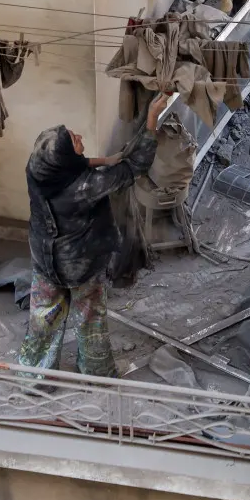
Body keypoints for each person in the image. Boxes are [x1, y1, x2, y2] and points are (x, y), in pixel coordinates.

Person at [18, 93, 167, 377]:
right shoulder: (87, 188)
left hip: (45, 262)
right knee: (90, 320)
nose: (81, 137)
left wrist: (103, 159)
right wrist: (151, 120)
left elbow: (73, 165)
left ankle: (33, 376)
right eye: (75, 140)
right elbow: (135, 168)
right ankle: (96, 374)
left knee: (43, 319)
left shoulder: (37, 169)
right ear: (66, 158)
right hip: (81, 266)